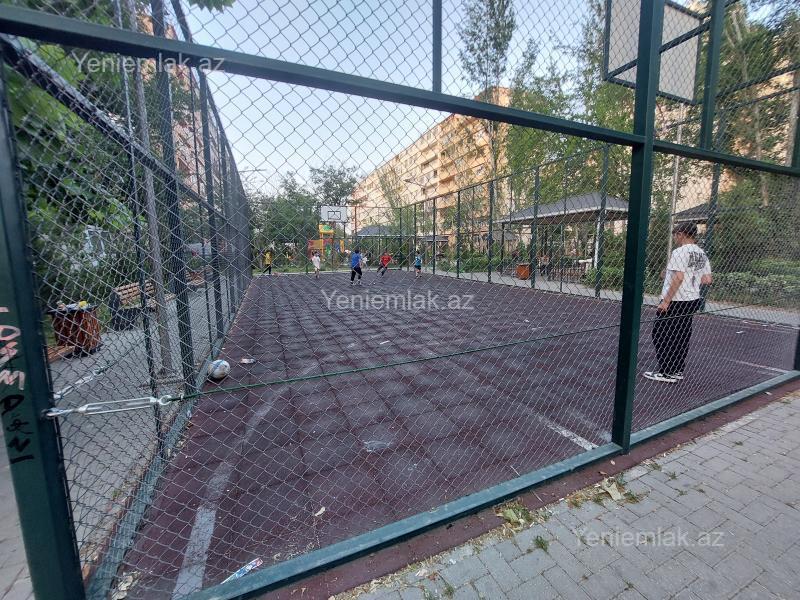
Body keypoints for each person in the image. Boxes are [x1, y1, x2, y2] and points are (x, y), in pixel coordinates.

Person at [645, 222, 712, 383]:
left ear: (681, 234)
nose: (674, 238)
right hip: (692, 299)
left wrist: (666, 301)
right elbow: (707, 279)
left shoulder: (680, 252)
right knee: (681, 334)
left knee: (661, 334)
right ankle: (677, 370)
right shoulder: (701, 253)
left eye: (675, 235)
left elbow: (679, 277)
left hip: (676, 300)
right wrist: (690, 281)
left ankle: (666, 372)